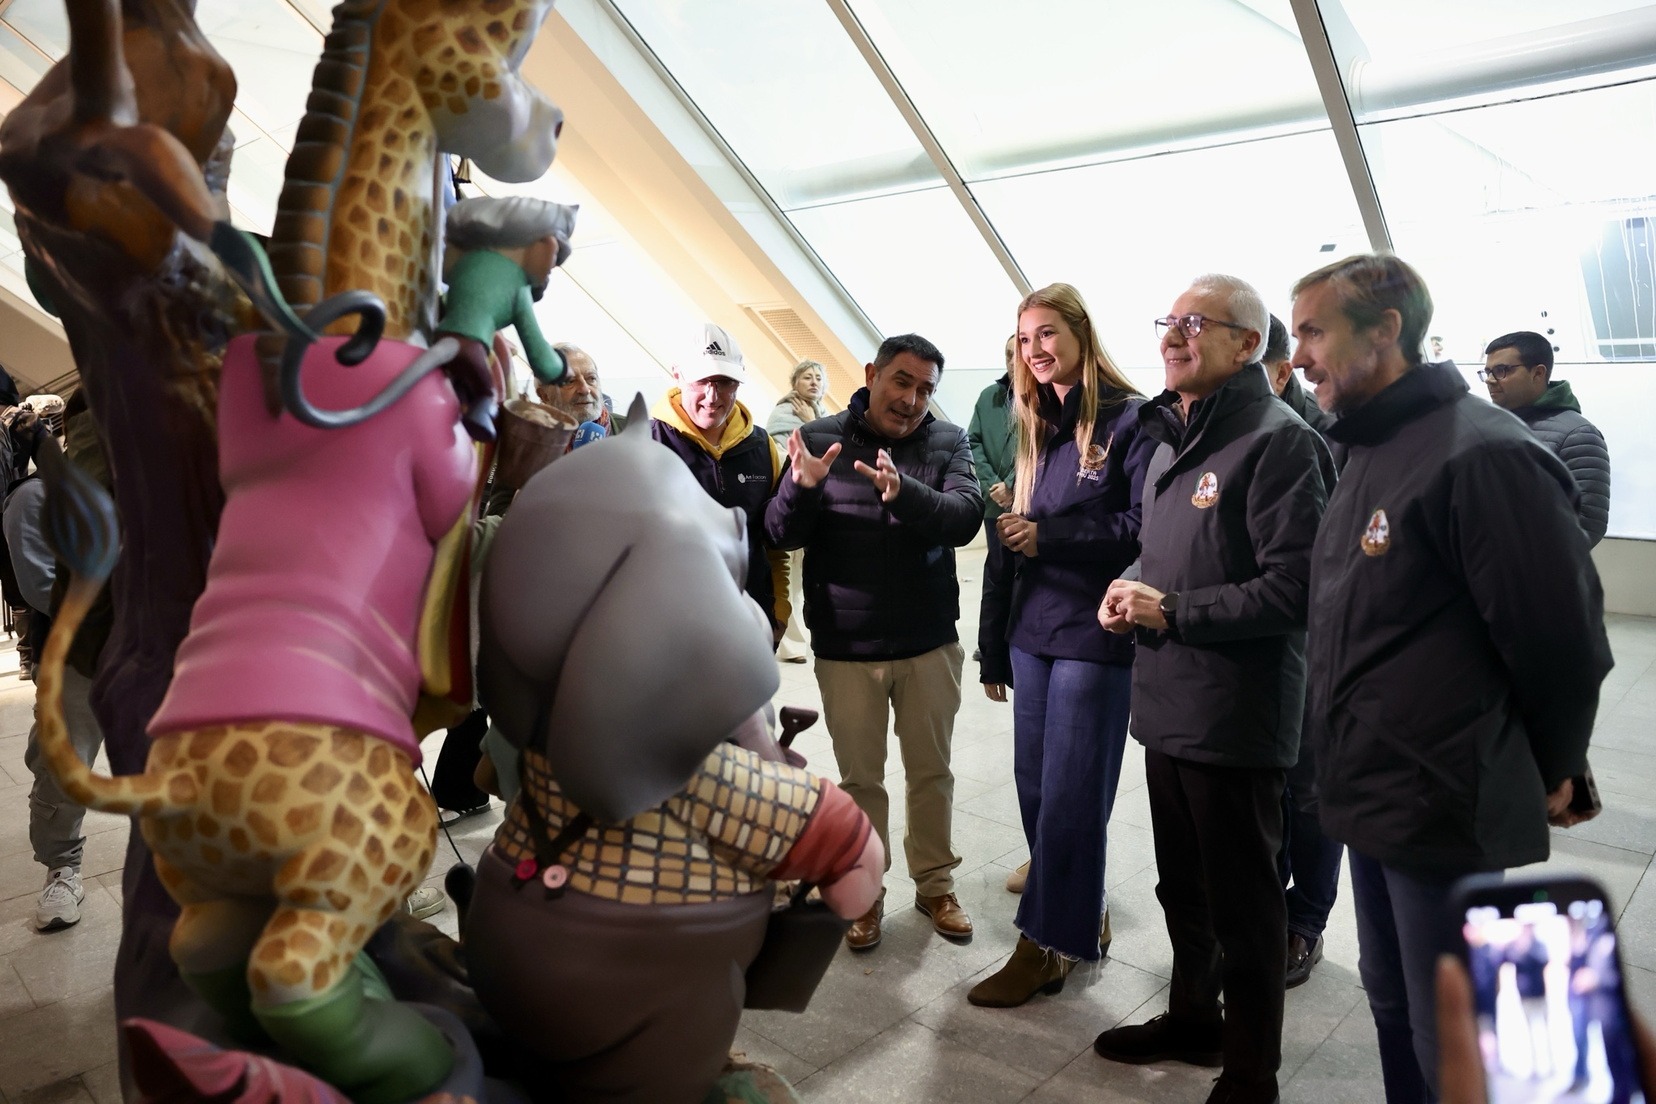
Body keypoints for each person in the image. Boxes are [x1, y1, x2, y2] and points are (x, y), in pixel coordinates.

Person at [1292, 253, 1611, 1103]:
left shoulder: (1483, 453)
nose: (1299, 356)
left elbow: (1561, 637)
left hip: (1442, 798)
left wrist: (1558, 762)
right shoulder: (1367, 448)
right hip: (1370, 786)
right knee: (1393, 1003)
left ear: (1385, 330)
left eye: (1314, 332)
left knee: (1453, 1034)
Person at [1094, 274, 1331, 1104]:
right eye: (1170, 321)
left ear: (1247, 344)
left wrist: (1173, 610)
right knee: (1182, 887)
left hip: (1236, 715)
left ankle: (1251, 1074)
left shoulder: (1280, 443)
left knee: (1246, 907)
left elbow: (1297, 588)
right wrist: (1129, 585)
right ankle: (1195, 1019)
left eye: (1196, 323)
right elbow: (1166, 556)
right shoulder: (1170, 440)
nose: (1173, 335)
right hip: (1168, 705)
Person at [765, 333, 982, 952]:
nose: (911, 399)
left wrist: (904, 492)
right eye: (902, 381)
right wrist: (800, 487)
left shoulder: (947, 440)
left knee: (931, 772)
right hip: (848, 645)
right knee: (861, 779)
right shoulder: (818, 437)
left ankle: (935, 885)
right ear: (872, 375)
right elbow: (779, 532)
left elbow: (965, 517)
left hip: (927, 640)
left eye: (925, 389)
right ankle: (867, 891)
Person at [970, 284, 1155, 1007]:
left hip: (1093, 629)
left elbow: (1144, 527)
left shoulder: (1131, 419)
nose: (1036, 349)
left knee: (1074, 792)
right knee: (1039, 788)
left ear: (1080, 332)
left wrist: (1052, 537)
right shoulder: (1036, 420)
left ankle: (1046, 944)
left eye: (1047, 333)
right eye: (1025, 339)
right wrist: (995, 641)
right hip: (1034, 630)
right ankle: (1081, 912)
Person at [1261, 314, 1344, 989]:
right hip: (1253, 646)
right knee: (1270, 790)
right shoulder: (1220, 432)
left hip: (1318, 642)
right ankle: (1266, 907)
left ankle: (1306, 919)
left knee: (1311, 791)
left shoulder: (1326, 435)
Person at [17, 393, 109, 931]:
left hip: (154, 647)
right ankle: (61, 869)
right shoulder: (37, 496)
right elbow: (36, 582)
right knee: (61, 762)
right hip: (76, 653)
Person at [652, 322, 790, 645]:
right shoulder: (648, 443)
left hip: (750, 623)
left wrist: (779, 609)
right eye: (701, 381)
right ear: (677, 375)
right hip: (671, 629)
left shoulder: (763, 446)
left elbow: (772, 544)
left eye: (725, 382)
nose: (712, 397)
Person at [1481, 330, 1610, 546]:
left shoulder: (1577, 435)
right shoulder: (1488, 427)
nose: (1490, 380)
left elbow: (1586, 524)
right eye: (1487, 372)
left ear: (1538, 373)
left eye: (1501, 370)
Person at [969, 340, 1017, 770]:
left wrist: (1015, 486)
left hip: (1030, 505)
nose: (1015, 360)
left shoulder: (1047, 398)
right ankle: (993, 655)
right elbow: (973, 443)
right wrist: (994, 486)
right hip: (994, 505)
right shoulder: (990, 397)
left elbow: (1045, 446)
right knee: (997, 578)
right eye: (1009, 354)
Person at [766, 360, 829, 663]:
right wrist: (808, 425)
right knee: (788, 578)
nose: (814, 382)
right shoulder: (783, 413)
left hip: (819, 507)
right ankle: (790, 645)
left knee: (807, 578)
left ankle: (806, 637)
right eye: (807, 377)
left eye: (818, 377)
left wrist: (812, 422)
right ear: (795, 382)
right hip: (790, 504)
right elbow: (781, 458)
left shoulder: (820, 414)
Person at [540, 342, 626, 436]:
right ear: (545, 395)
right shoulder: (530, 438)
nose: (585, 390)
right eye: (570, 381)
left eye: (591, 378)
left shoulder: (631, 429)